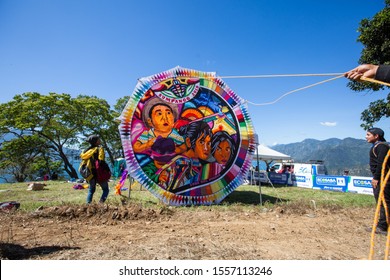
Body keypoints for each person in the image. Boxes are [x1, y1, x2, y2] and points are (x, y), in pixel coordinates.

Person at [365, 127, 390, 235]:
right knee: (381, 202)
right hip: (382, 178)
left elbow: (381, 164)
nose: (366, 137)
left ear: (376, 136)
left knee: (383, 202)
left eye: (368, 135)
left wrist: (376, 177)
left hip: (383, 179)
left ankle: (383, 226)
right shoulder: (378, 146)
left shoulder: (381, 147)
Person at [80, 135, 109, 204]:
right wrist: (106, 171)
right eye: (99, 140)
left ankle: (88, 205)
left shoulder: (85, 151)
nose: (100, 141)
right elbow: (101, 161)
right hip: (98, 173)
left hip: (89, 173)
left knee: (91, 190)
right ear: (96, 142)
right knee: (106, 189)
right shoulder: (99, 149)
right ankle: (100, 204)